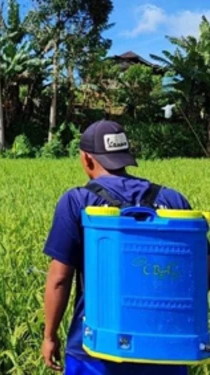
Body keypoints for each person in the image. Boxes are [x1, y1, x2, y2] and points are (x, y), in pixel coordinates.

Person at [41, 120, 197, 375]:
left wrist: (49, 336)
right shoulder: (173, 199)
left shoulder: (76, 201)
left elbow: (59, 278)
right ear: (125, 156)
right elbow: (202, 273)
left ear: (86, 159)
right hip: (165, 348)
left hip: (95, 350)